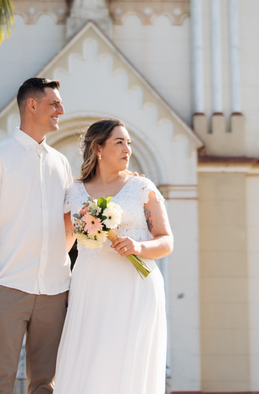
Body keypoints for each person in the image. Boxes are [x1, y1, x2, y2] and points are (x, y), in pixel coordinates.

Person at [54, 119, 173, 394]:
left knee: (127, 360)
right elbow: (61, 245)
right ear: (98, 148)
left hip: (135, 287)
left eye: (128, 143)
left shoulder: (143, 188)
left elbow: (166, 241)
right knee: (91, 360)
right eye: (119, 142)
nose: (127, 150)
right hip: (90, 289)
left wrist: (138, 248)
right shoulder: (73, 193)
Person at [0, 77, 71, 394]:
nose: (61, 110)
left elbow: (68, 225)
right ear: (32, 105)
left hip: (54, 291)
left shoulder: (61, 162)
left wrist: (60, 265)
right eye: (54, 103)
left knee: (45, 384)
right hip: (7, 287)